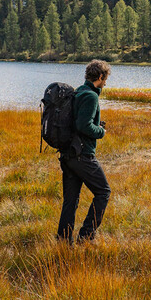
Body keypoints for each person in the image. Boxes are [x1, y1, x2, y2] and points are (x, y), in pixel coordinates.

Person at [57, 59, 112, 244]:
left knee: (70, 201)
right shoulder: (91, 96)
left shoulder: (79, 91)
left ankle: (64, 241)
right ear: (101, 76)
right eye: (106, 79)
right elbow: (83, 125)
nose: (106, 83)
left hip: (68, 155)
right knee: (103, 192)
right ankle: (86, 236)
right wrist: (101, 132)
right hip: (82, 156)